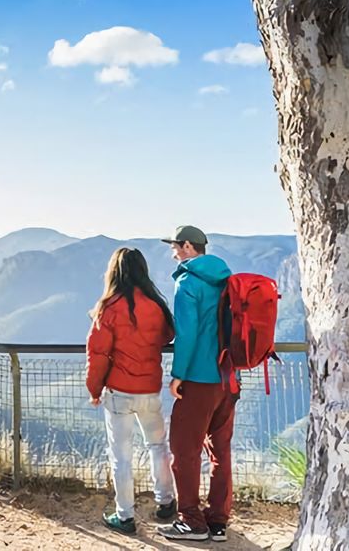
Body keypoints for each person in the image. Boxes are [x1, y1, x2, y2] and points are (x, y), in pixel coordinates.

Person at [86, 247, 176, 535]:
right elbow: (168, 335)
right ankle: (166, 502)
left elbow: (97, 353)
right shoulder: (155, 305)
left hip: (119, 393)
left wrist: (95, 389)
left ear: (114, 272)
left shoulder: (108, 308)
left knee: (121, 457)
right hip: (150, 389)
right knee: (158, 446)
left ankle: (125, 516)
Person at [157, 226, 234, 543]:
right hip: (228, 378)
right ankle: (218, 522)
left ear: (188, 246)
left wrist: (178, 375)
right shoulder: (226, 280)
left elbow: (186, 335)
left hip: (199, 380)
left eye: (175, 246)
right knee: (221, 453)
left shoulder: (188, 282)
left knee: (184, 452)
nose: (173, 252)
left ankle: (192, 521)